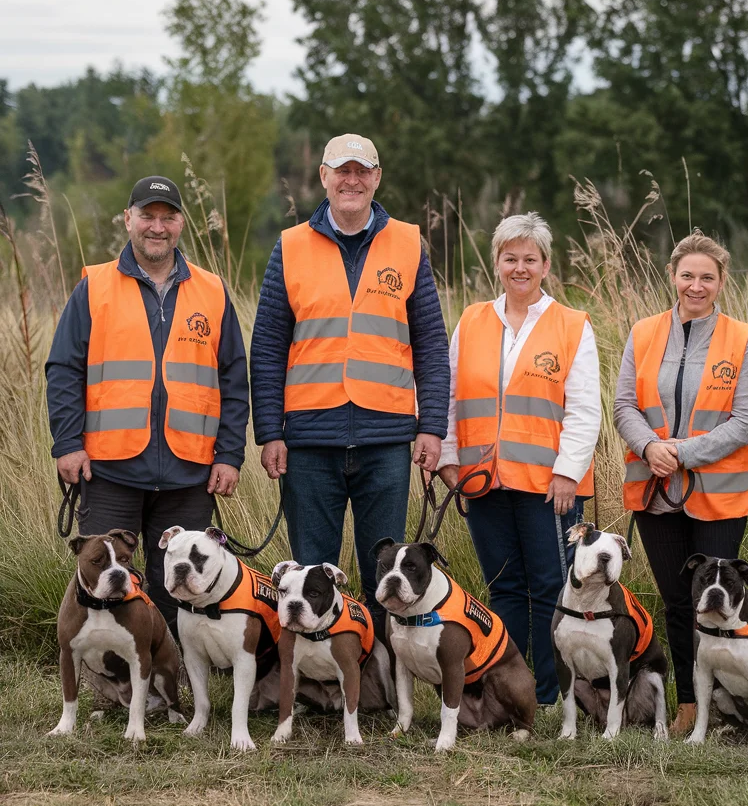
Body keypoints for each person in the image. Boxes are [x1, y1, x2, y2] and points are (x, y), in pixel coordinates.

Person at [250, 134, 450, 635]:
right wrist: (269, 432)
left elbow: (430, 343)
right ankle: (320, 687)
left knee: (386, 575)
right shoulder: (290, 246)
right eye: (343, 170)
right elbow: (269, 347)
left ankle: (380, 676)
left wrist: (432, 427)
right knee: (311, 574)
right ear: (324, 176)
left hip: (386, 440)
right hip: (309, 440)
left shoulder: (407, 243)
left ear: (377, 178)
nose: (352, 180)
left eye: (363, 171)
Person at [45, 175, 250, 627]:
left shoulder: (212, 291)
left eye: (168, 217)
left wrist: (230, 455)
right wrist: (67, 444)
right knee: (103, 584)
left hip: (189, 472)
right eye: (147, 216)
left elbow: (235, 379)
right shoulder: (94, 287)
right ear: (128, 219)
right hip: (109, 469)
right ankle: (112, 684)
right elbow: (63, 370)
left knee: (181, 587)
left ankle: (174, 686)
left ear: (181, 224)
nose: (157, 227)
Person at [437, 212, 601, 706]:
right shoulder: (471, 321)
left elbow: (584, 408)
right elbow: (449, 397)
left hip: (546, 485)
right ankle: (508, 688)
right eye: (511, 258)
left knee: (551, 587)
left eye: (530, 259)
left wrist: (568, 473)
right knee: (503, 587)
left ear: (546, 266)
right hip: (482, 482)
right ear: (497, 264)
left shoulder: (572, 326)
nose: (520, 268)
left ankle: (550, 694)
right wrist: (448, 457)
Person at [614, 230, 748, 735]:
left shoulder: (741, 338)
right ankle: (688, 704)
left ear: (721, 282)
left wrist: (679, 453)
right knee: (680, 603)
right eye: (687, 275)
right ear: (673, 277)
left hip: (718, 496)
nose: (695, 285)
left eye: (707, 277)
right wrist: (650, 447)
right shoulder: (643, 333)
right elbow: (623, 406)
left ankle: (733, 701)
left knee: (721, 604)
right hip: (655, 494)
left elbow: (744, 421)